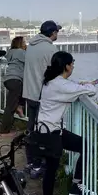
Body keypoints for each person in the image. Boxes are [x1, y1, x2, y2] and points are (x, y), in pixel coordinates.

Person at [37, 51, 98, 195]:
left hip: (48, 130)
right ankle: (74, 187)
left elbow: (71, 86)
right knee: (54, 166)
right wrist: (89, 85)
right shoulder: (61, 86)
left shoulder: (52, 81)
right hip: (51, 133)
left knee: (53, 166)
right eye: (72, 63)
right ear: (66, 66)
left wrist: (82, 83)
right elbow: (91, 91)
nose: (73, 66)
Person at [23, 20, 61, 175]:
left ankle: (31, 162)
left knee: (32, 129)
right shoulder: (50, 49)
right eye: (57, 31)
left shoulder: (31, 46)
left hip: (29, 93)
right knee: (43, 132)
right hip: (41, 96)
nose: (58, 34)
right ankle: (39, 165)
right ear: (52, 33)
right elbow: (56, 73)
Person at [0, 36, 26, 136]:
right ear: (20, 43)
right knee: (10, 107)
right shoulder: (21, 52)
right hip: (16, 79)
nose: (25, 43)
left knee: (13, 101)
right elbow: (31, 61)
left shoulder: (11, 52)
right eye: (24, 41)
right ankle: (4, 131)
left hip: (9, 79)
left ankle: (19, 106)